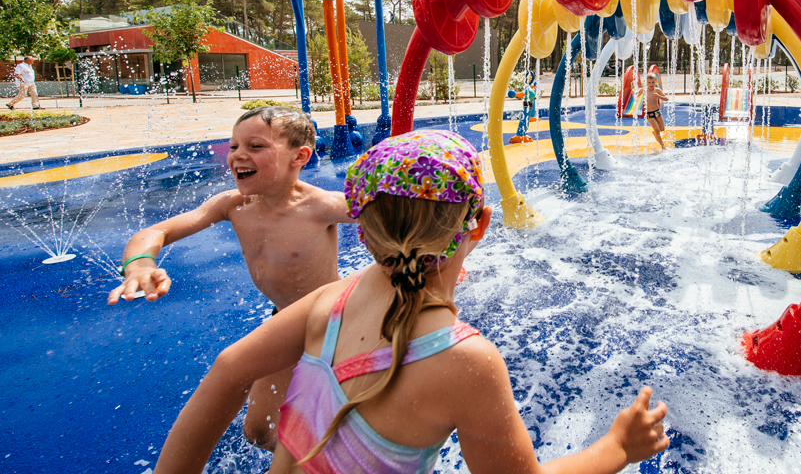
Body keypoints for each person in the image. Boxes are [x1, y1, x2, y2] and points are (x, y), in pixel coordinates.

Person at [153, 130, 670, 474]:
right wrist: (617, 447)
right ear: (480, 225)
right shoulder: (464, 360)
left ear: (361, 233)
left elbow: (226, 370)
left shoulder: (329, 300)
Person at [107, 105, 356, 450]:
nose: (238, 155)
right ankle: (313, 459)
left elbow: (396, 214)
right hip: (285, 321)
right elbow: (156, 231)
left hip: (332, 324)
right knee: (260, 432)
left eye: (255, 147)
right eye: (235, 146)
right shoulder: (231, 205)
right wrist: (139, 265)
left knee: (345, 415)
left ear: (299, 157)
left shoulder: (321, 206)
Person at [644, 72, 669, 150]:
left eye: (653, 82)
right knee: (657, 130)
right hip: (649, 113)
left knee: (662, 129)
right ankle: (663, 146)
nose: (651, 84)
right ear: (646, 83)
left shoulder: (657, 90)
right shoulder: (644, 90)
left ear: (656, 82)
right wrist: (632, 88)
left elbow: (666, 98)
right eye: (649, 82)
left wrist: (659, 96)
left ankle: (655, 133)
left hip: (657, 112)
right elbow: (635, 95)